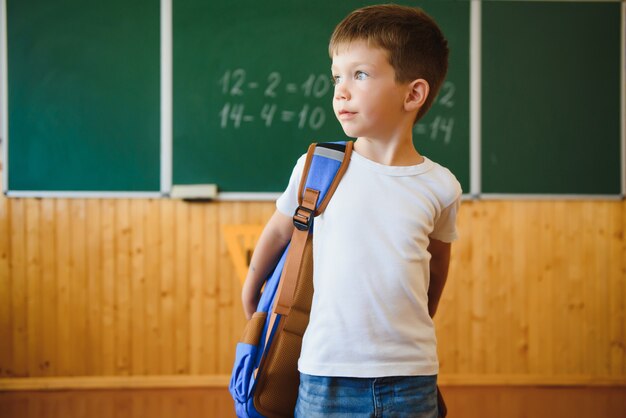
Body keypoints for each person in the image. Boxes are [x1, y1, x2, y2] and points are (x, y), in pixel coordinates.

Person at [241, 4, 461, 417]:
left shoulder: (440, 185)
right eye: (336, 77)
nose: (340, 90)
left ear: (413, 93)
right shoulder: (317, 167)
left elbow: (436, 267)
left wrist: (409, 326)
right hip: (324, 373)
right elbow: (277, 232)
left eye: (359, 74)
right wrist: (252, 284)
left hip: (411, 376)